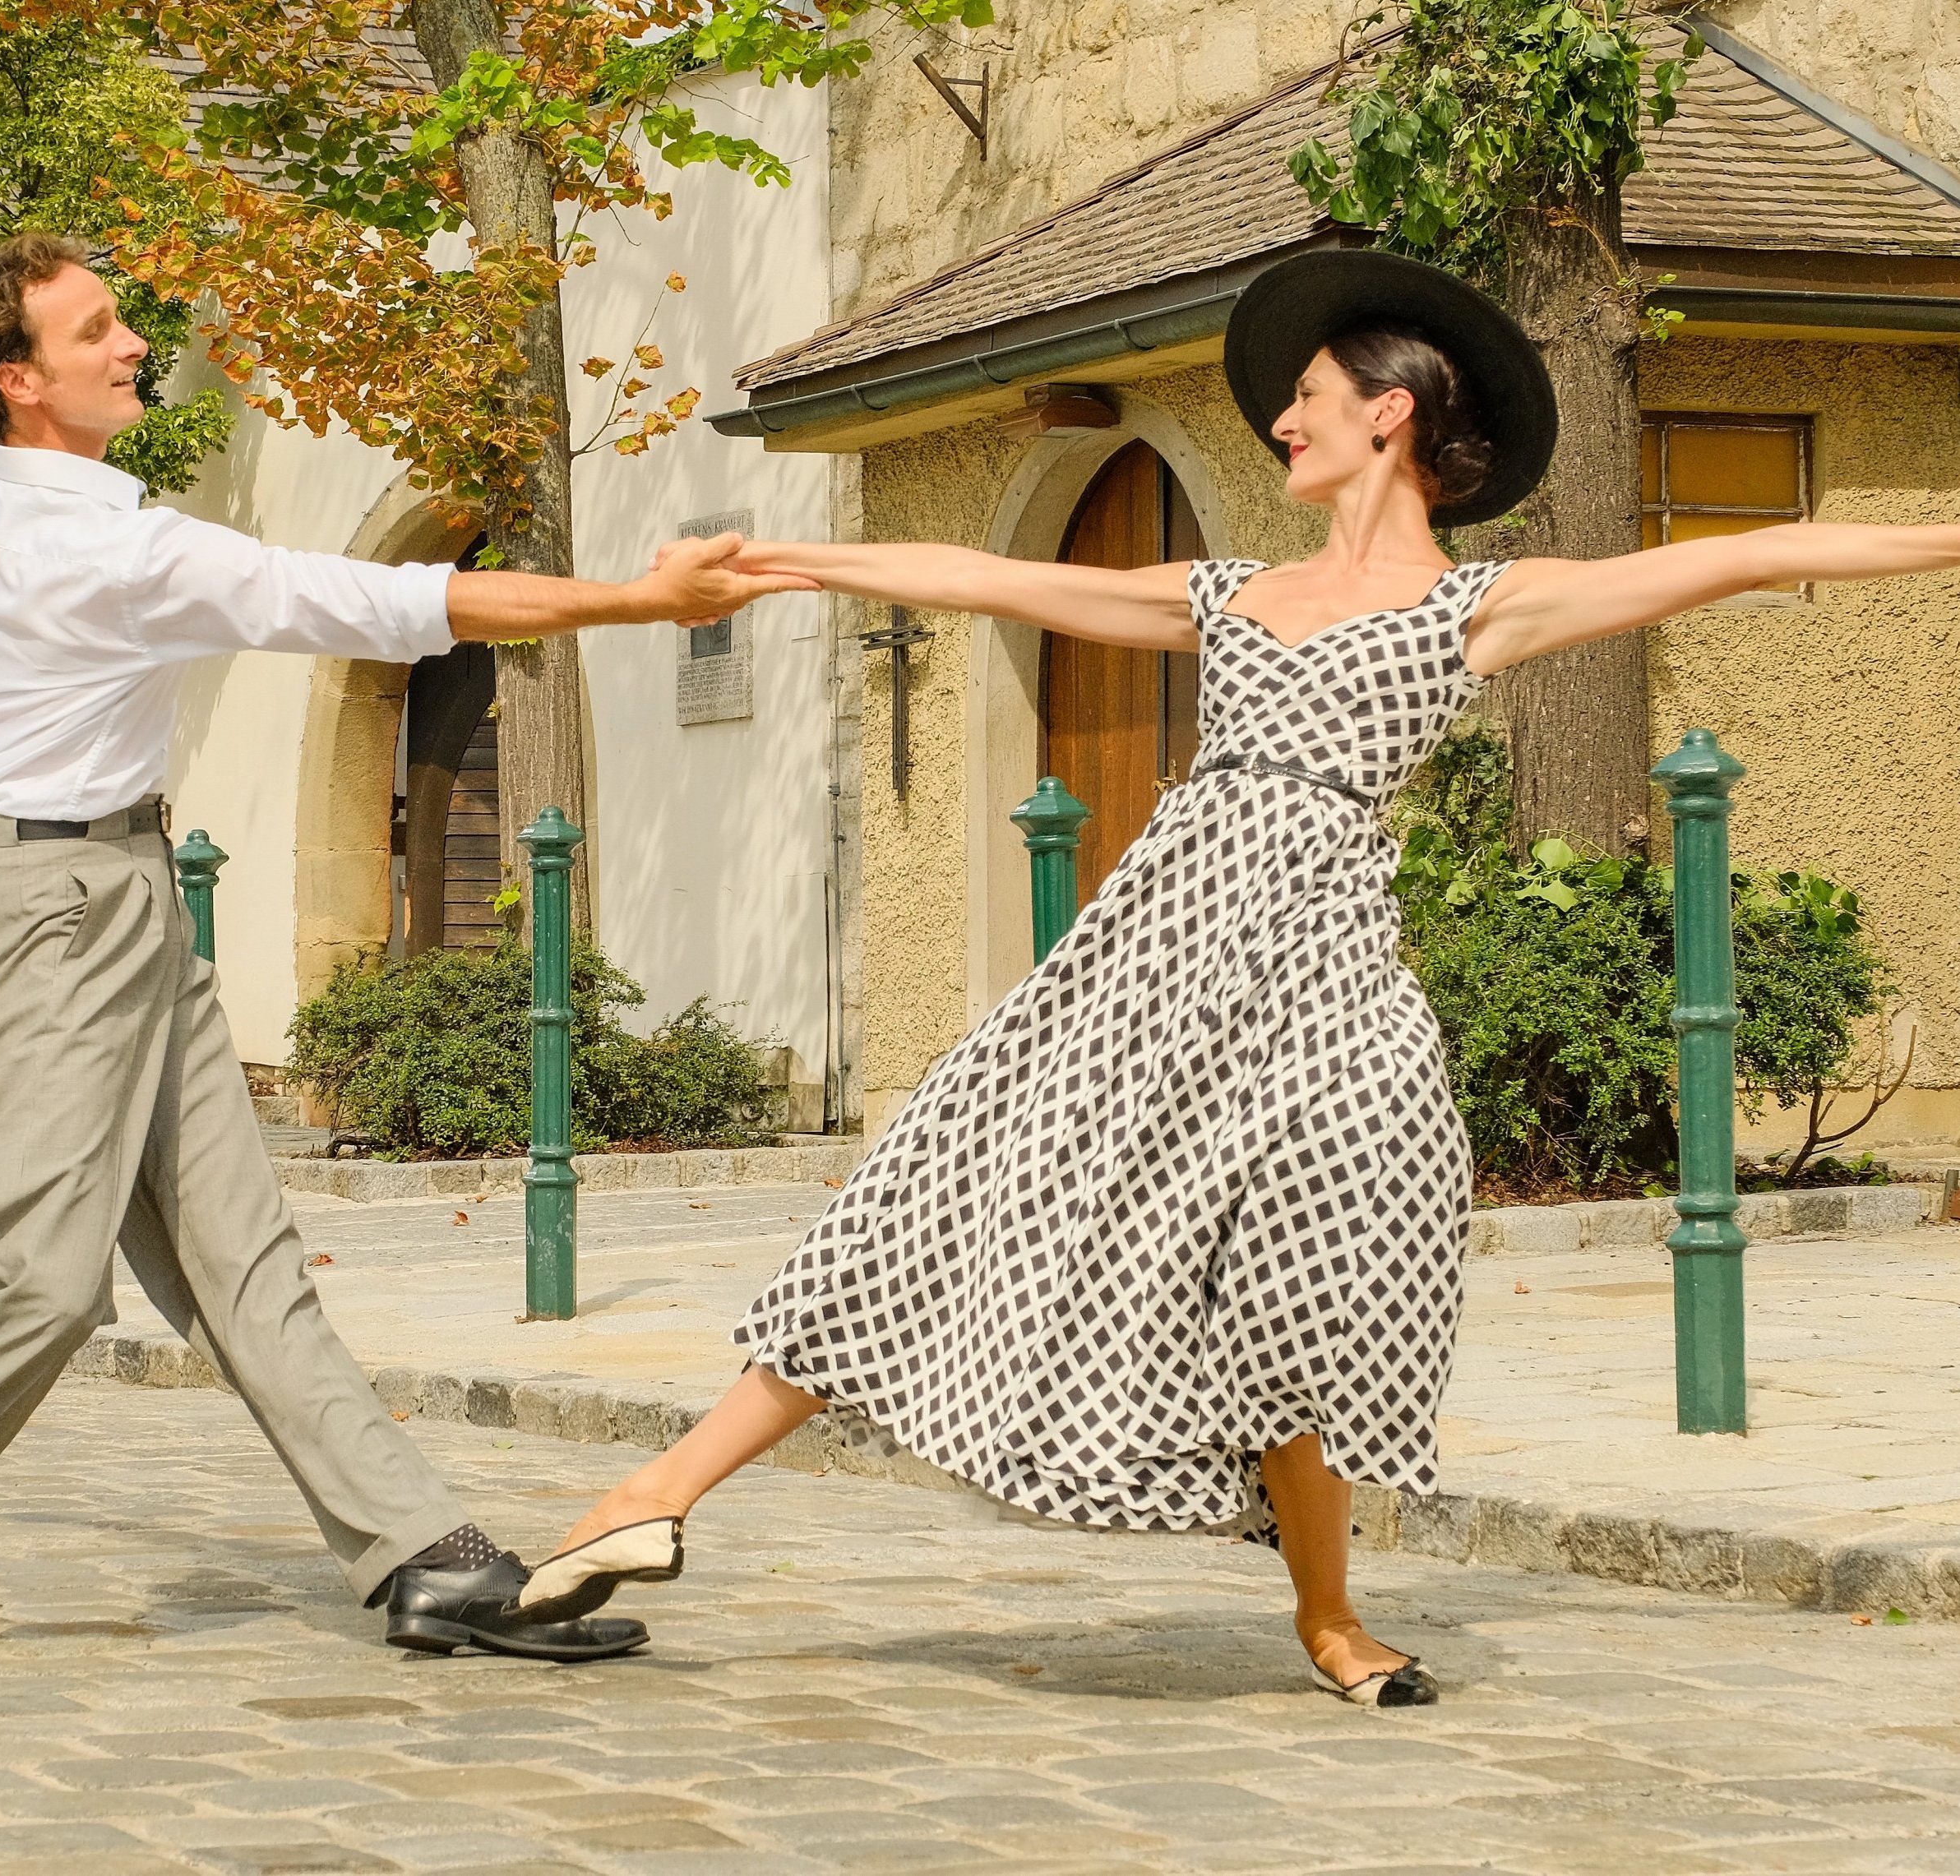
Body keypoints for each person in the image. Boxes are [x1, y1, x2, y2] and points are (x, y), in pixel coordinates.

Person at [511, 249, 1960, 1707]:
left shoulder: (1474, 607)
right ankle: (648, 1491)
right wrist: (791, 560)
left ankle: (1326, 1611)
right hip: (1148, 968)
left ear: (1389, 412)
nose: (1281, 419)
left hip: (1326, 973)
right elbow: (988, 576)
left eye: (1307, 395)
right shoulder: (1226, 593)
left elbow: (1750, 553)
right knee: (939, 1190)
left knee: (1335, 1248)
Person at [0, 159, 810, 1669]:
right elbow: (404, 609)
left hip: (119, 895)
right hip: (55, 916)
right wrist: (641, 605)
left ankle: (422, 1556)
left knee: (245, 1259)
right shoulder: (129, 549)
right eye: (100, 327)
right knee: (48, 1281)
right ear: (21, 379)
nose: (133, 342)